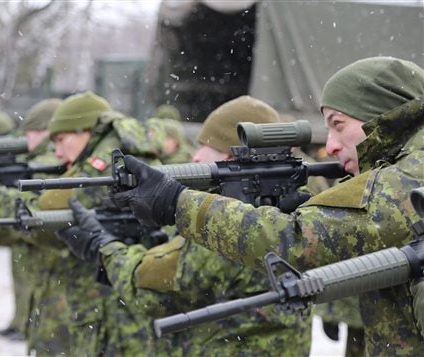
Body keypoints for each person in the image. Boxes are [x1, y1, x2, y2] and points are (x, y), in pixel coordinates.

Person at [111, 57, 424, 355]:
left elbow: (293, 241)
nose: (329, 145)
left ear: (380, 113)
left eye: (338, 124)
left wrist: (174, 203)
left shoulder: (407, 175)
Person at [57, 95, 312, 355]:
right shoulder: (283, 212)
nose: (196, 156)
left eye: (205, 147)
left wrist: (102, 246)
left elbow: (148, 289)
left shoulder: (228, 227)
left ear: (231, 155)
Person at [0, 92, 158, 356]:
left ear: (86, 131)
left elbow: (44, 212)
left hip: (110, 315)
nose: (58, 151)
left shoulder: (104, 166)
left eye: (62, 139)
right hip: (110, 312)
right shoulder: (118, 159)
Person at [0, 99, 61, 342]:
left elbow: (35, 209)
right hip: (34, 246)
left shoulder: (49, 162)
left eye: (33, 132)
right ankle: (22, 321)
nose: (27, 138)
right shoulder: (40, 160)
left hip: (46, 251)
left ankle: (25, 323)